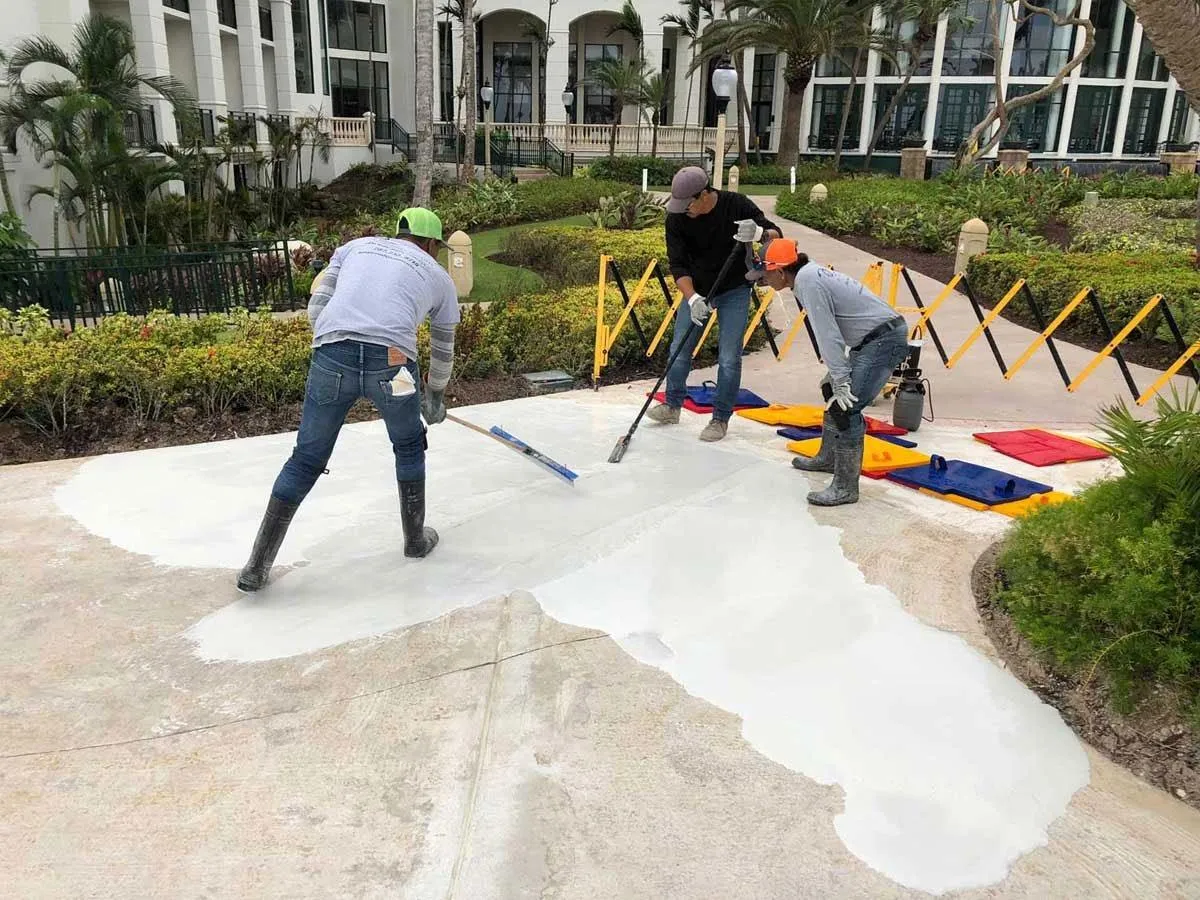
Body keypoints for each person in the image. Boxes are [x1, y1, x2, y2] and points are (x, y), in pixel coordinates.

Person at [236, 207, 460, 591]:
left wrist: (336, 343)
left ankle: (255, 568)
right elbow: (443, 350)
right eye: (436, 246)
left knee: (305, 460)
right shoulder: (439, 277)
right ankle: (415, 541)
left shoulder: (354, 248)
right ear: (428, 243)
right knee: (409, 445)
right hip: (393, 364)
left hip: (332, 354)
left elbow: (317, 307)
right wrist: (434, 397)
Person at [758, 239, 911, 507]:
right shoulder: (806, 276)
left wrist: (842, 379)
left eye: (765, 274)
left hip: (883, 341)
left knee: (845, 407)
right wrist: (836, 378)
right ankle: (828, 458)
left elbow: (828, 335)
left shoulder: (809, 283)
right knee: (831, 390)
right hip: (870, 340)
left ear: (780, 271)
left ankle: (845, 487)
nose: (764, 280)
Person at [645, 166, 782, 442]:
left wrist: (758, 233)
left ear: (704, 194)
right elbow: (677, 264)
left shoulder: (736, 205)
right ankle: (672, 405)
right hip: (698, 289)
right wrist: (693, 298)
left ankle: (720, 418)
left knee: (729, 357)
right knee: (679, 349)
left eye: (688, 204)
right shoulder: (676, 219)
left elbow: (776, 235)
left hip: (734, 289)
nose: (684, 210)